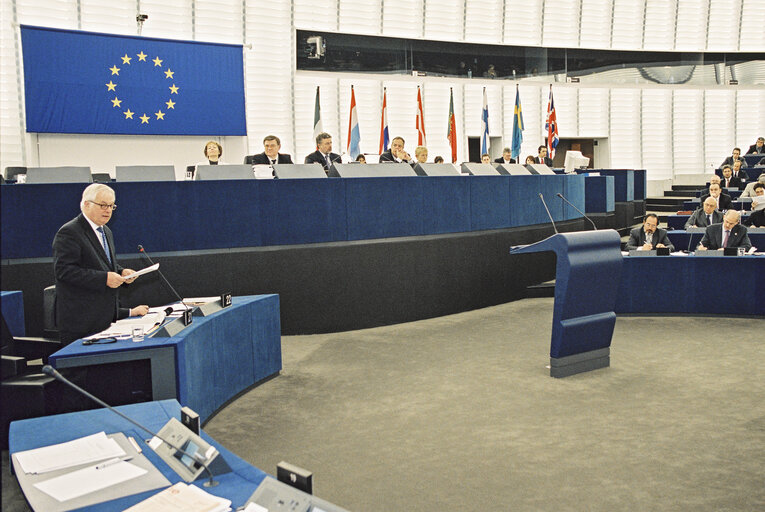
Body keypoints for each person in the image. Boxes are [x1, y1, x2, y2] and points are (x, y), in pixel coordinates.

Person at [53, 184, 149, 344]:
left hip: (104, 318)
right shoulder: (69, 232)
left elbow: (101, 264)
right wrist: (104, 278)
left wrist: (121, 272)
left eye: (112, 206)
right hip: (81, 321)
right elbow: (64, 271)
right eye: (103, 205)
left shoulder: (106, 231)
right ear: (86, 204)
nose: (108, 210)